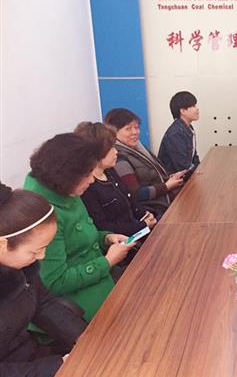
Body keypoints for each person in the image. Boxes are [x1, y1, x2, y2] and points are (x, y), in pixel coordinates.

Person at [23, 133, 135, 321]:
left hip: (100, 278)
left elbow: (80, 239)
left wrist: (106, 238)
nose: (92, 180)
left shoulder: (66, 190)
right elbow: (55, 281)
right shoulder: (41, 214)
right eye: (87, 174)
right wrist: (107, 262)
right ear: (67, 175)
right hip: (78, 301)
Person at [0, 183, 87, 376]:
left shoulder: (21, 269)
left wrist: (81, 336)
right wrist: (55, 367)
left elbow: (43, 302)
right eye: (36, 251)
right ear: (2, 245)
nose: (42, 256)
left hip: (31, 358)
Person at [75, 122, 157, 236]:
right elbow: (103, 227)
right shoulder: (87, 187)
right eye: (111, 148)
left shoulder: (109, 171)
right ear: (97, 153)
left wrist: (145, 214)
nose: (116, 151)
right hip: (122, 240)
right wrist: (142, 225)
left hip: (136, 229)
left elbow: (129, 199)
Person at [105, 108, 184, 216]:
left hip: (165, 199)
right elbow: (136, 194)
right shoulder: (119, 158)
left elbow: (154, 175)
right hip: (154, 209)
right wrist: (166, 186)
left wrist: (170, 178)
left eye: (136, 127)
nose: (135, 132)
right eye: (128, 129)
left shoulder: (138, 148)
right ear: (113, 132)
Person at [158, 91, 201, 175]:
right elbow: (182, 167)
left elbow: (194, 156)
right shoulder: (175, 133)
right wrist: (197, 171)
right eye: (193, 106)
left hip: (186, 175)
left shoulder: (188, 128)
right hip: (174, 179)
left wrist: (199, 168)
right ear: (183, 111)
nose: (197, 108)